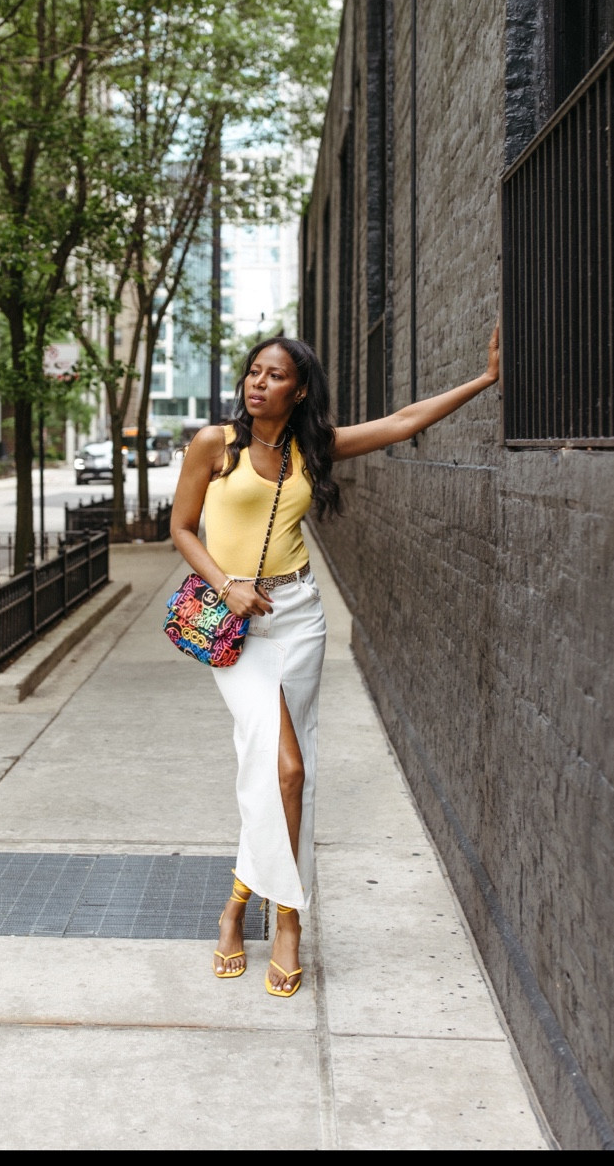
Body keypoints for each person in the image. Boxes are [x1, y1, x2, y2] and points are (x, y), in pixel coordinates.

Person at [170, 325, 500, 997]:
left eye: (273, 375)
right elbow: (180, 527)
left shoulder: (309, 447)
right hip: (234, 626)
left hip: (296, 617)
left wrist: (485, 380)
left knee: (289, 772)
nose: (257, 383)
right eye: (252, 372)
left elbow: (404, 421)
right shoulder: (213, 445)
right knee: (281, 766)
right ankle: (283, 916)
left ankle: (245, 905)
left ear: (297, 391)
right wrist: (225, 584)